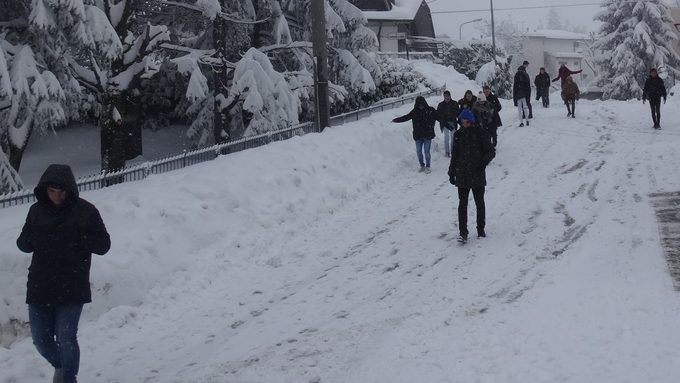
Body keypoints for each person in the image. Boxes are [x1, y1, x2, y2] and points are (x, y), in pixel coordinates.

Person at [16, 164, 111, 383]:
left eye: (61, 192)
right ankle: (62, 366)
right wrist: (31, 240)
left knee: (66, 338)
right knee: (41, 339)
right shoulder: (36, 211)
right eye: (51, 191)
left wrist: (77, 238)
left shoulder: (86, 211)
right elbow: (24, 243)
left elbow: (104, 245)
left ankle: (68, 379)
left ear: (70, 190)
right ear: (44, 190)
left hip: (72, 284)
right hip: (41, 284)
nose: (56, 197)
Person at [448, 108, 495, 243]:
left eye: (467, 121)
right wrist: (451, 172)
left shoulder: (480, 133)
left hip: (477, 174)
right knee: (462, 204)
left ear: (471, 121)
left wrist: (482, 164)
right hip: (462, 174)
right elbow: (454, 155)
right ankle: (463, 232)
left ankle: (481, 229)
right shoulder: (458, 135)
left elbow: (491, 151)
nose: (464, 123)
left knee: (479, 203)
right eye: (462, 120)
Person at [392, 96, 438, 173]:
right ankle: (422, 165)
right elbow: (406, 117)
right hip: (418, 136)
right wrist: (396, 120)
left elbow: (438, 117)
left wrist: (445, 123)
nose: (420, 106)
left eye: (422, 104)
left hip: (427, 135)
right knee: (419, 152)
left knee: (427, 151)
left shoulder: (430, 110)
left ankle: (428, 166)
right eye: (419, 104)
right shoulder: (414, 112)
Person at [436, 90, 460, 157]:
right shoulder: (440, 105)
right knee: (446, 137)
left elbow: (458, 113)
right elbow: (437, 114)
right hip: (444, 123)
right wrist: (441, 120)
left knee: (453, 137)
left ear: (450, 96)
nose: (447, 97)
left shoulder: (455, 103)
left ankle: (453, 151)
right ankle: (447, 152)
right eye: (445, 96)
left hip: (453, 122)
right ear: (444, 96)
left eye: (448, 96)